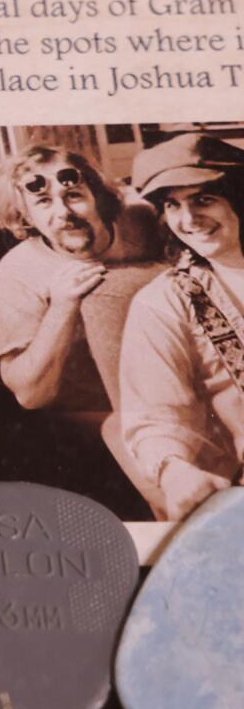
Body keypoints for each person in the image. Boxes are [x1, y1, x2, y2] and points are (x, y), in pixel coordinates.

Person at [118, 135, 244, 520]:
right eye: (173, 205)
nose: (188, 220)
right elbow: (156, 416)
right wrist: (175, 473)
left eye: (203, 199)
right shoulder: (163, 303)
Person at [0, 144, 163, 411]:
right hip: (93, 407)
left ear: (98, 198)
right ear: (28, 217)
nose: (63, 213)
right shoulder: (19, 269)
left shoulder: (141, 220)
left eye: (73, 195)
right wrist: (61, 308)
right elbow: (29, 396)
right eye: (43, 201)